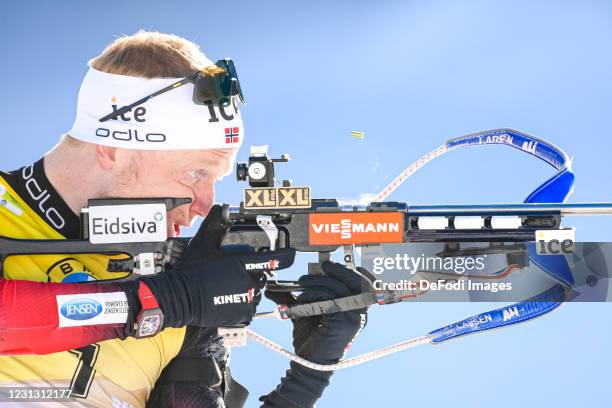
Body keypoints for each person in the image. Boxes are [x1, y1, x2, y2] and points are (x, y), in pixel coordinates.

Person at [0, 31, 367, 407]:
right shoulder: (174, 292)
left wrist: (307, 378)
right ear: (112, 149)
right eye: (195, 173)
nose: (205, 204)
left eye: (215, 179)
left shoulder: (172, 277)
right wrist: (171, 299)